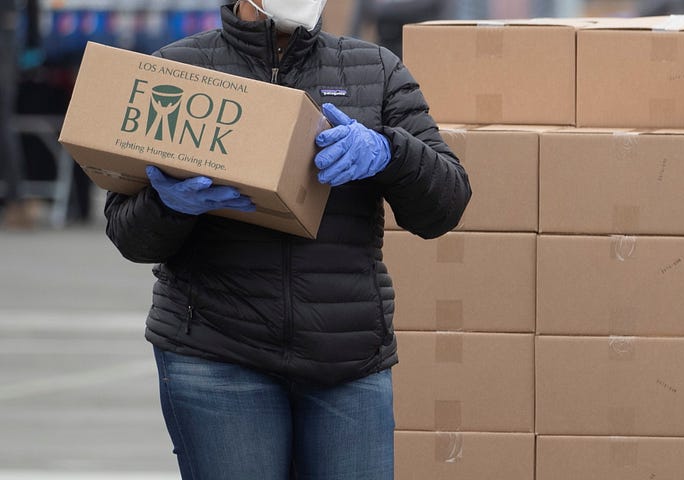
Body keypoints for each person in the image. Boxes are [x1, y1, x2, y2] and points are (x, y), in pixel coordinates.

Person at [102, 0, 470, 477]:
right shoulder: (179, 71)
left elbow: (446, 204)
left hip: (348, 358)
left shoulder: (375, 69)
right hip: (216, 354)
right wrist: (169, 205)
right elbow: (130, 236)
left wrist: (389, 152)